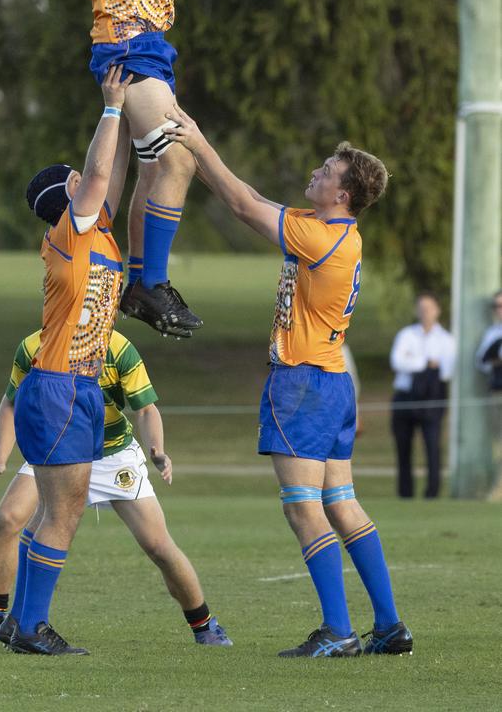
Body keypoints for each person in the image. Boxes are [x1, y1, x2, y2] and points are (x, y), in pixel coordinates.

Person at [164, 107, 412, 658]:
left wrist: (198, 143)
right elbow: (247, 194)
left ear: (343, 194)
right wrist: (195, 157)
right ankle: (390, 626)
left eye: (328, 170)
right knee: (342, 504)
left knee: (303, 507)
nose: (317, 173)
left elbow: (242, 205)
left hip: (302, 384)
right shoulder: (334, 231)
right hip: (332, 384)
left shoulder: (321, 238)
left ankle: (339, 631)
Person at [0, 329, 230, 649]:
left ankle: (204, 625)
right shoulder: (35, 345)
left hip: (111, 454)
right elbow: (11, 402)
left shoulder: (119, 349)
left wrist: (157, 450)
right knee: (9, 517)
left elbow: (146, 409)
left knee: (158, 546)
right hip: (59, 448)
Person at [7, 64, 132, 656]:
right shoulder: (71, 231)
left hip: (74, 387)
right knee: (66, 510)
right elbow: (102, 170)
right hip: (58, 386)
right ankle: (31, 626)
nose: (94, 183)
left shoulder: (98, 234)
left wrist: (134, 113)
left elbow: (116, 173)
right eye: (81, 181)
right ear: (69, 195)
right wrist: (109, 106)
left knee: (56, 511)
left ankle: (20, 623)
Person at [71, 0, 209, 339]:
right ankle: (153, 280)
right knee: (178, 158)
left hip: (156, 52)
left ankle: (130, 280)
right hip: (126, 51)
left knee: (146, 172)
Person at [389, 293, 456, 499]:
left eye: (429, 308)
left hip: (432, 398)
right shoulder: (406, 335)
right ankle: (405, 494)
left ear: (437, 310)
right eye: (421, 308)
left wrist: (414, 360)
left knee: (433, 445)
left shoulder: (446, 340)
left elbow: (446, 370)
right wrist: (426, 363)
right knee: (403, 447)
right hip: (405, 396)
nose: (425, 312)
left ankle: (432, 493)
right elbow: (397, 361)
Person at [475, 289, 502, 391]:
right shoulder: (492, 333)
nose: (499, 310)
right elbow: (480, 362)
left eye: (501, 305)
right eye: (496, 306)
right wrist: (496, 362)